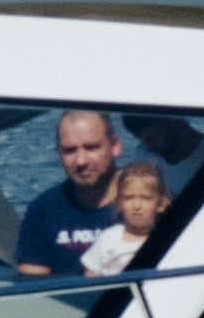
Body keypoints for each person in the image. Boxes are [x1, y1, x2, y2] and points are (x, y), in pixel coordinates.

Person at [14, 108, 125, 276]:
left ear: (114, 145)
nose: (81, 161)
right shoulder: (42, 211)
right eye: (70, 150)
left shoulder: (151, 201)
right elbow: (33, 284)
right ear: (58, 153)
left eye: (91, 147)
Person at [74, 160, 169, 276]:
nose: (137, 206)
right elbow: (91, 275)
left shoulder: (167, 239)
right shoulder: (109, 238)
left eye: (145, 198)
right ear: (118, 203)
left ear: (161, 204)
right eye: (129, 198)